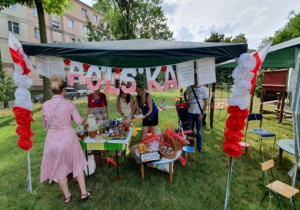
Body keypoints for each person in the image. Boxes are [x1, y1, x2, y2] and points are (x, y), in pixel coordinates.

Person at [40, 76, 91, 204]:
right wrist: (83, 120)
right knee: (77, 163)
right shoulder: (68, 104)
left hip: (52, 140)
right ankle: (84, 192)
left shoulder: (45, 105)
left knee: (59, 168)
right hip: (68, 138)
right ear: (64, 90)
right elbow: (79, 121)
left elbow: (45, 124)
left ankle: (67, 195)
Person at [184, 73, 208, 153]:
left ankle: (199, 146)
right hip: (190, 113)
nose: (196, 80)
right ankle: (190, 144)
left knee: (199, 131)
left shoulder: (203, 89)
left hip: (199, 114)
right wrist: (187, 102)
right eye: (194, 78)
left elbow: (206, 103)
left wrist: (202, 114)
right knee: (190, 130)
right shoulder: (189, 88)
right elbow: (185, 94)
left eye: (197, 78)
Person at [116, 87, 135, 156]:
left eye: (125, 94)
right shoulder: (118, 97)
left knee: (128, 132)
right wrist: (122, 115)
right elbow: (118, 108)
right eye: (122, 94)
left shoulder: (130, 97)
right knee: (121, 131)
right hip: (122, 116)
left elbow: (133, 108)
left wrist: (133, 117)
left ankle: (127, 147)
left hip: (129, 116)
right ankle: (119, 150)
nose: (124, 96)